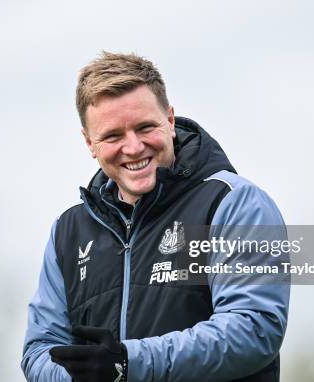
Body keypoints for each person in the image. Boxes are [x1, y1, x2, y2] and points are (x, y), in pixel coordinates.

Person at [21, 52, 290, 382]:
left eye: (145, 127)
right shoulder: (68, 231)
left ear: (170, 119)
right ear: (90, 143)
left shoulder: (234, 203)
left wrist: (128, 363)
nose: (133, 148)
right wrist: (85, 377)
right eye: (113, 136)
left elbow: (254, 329)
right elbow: (38, 352)